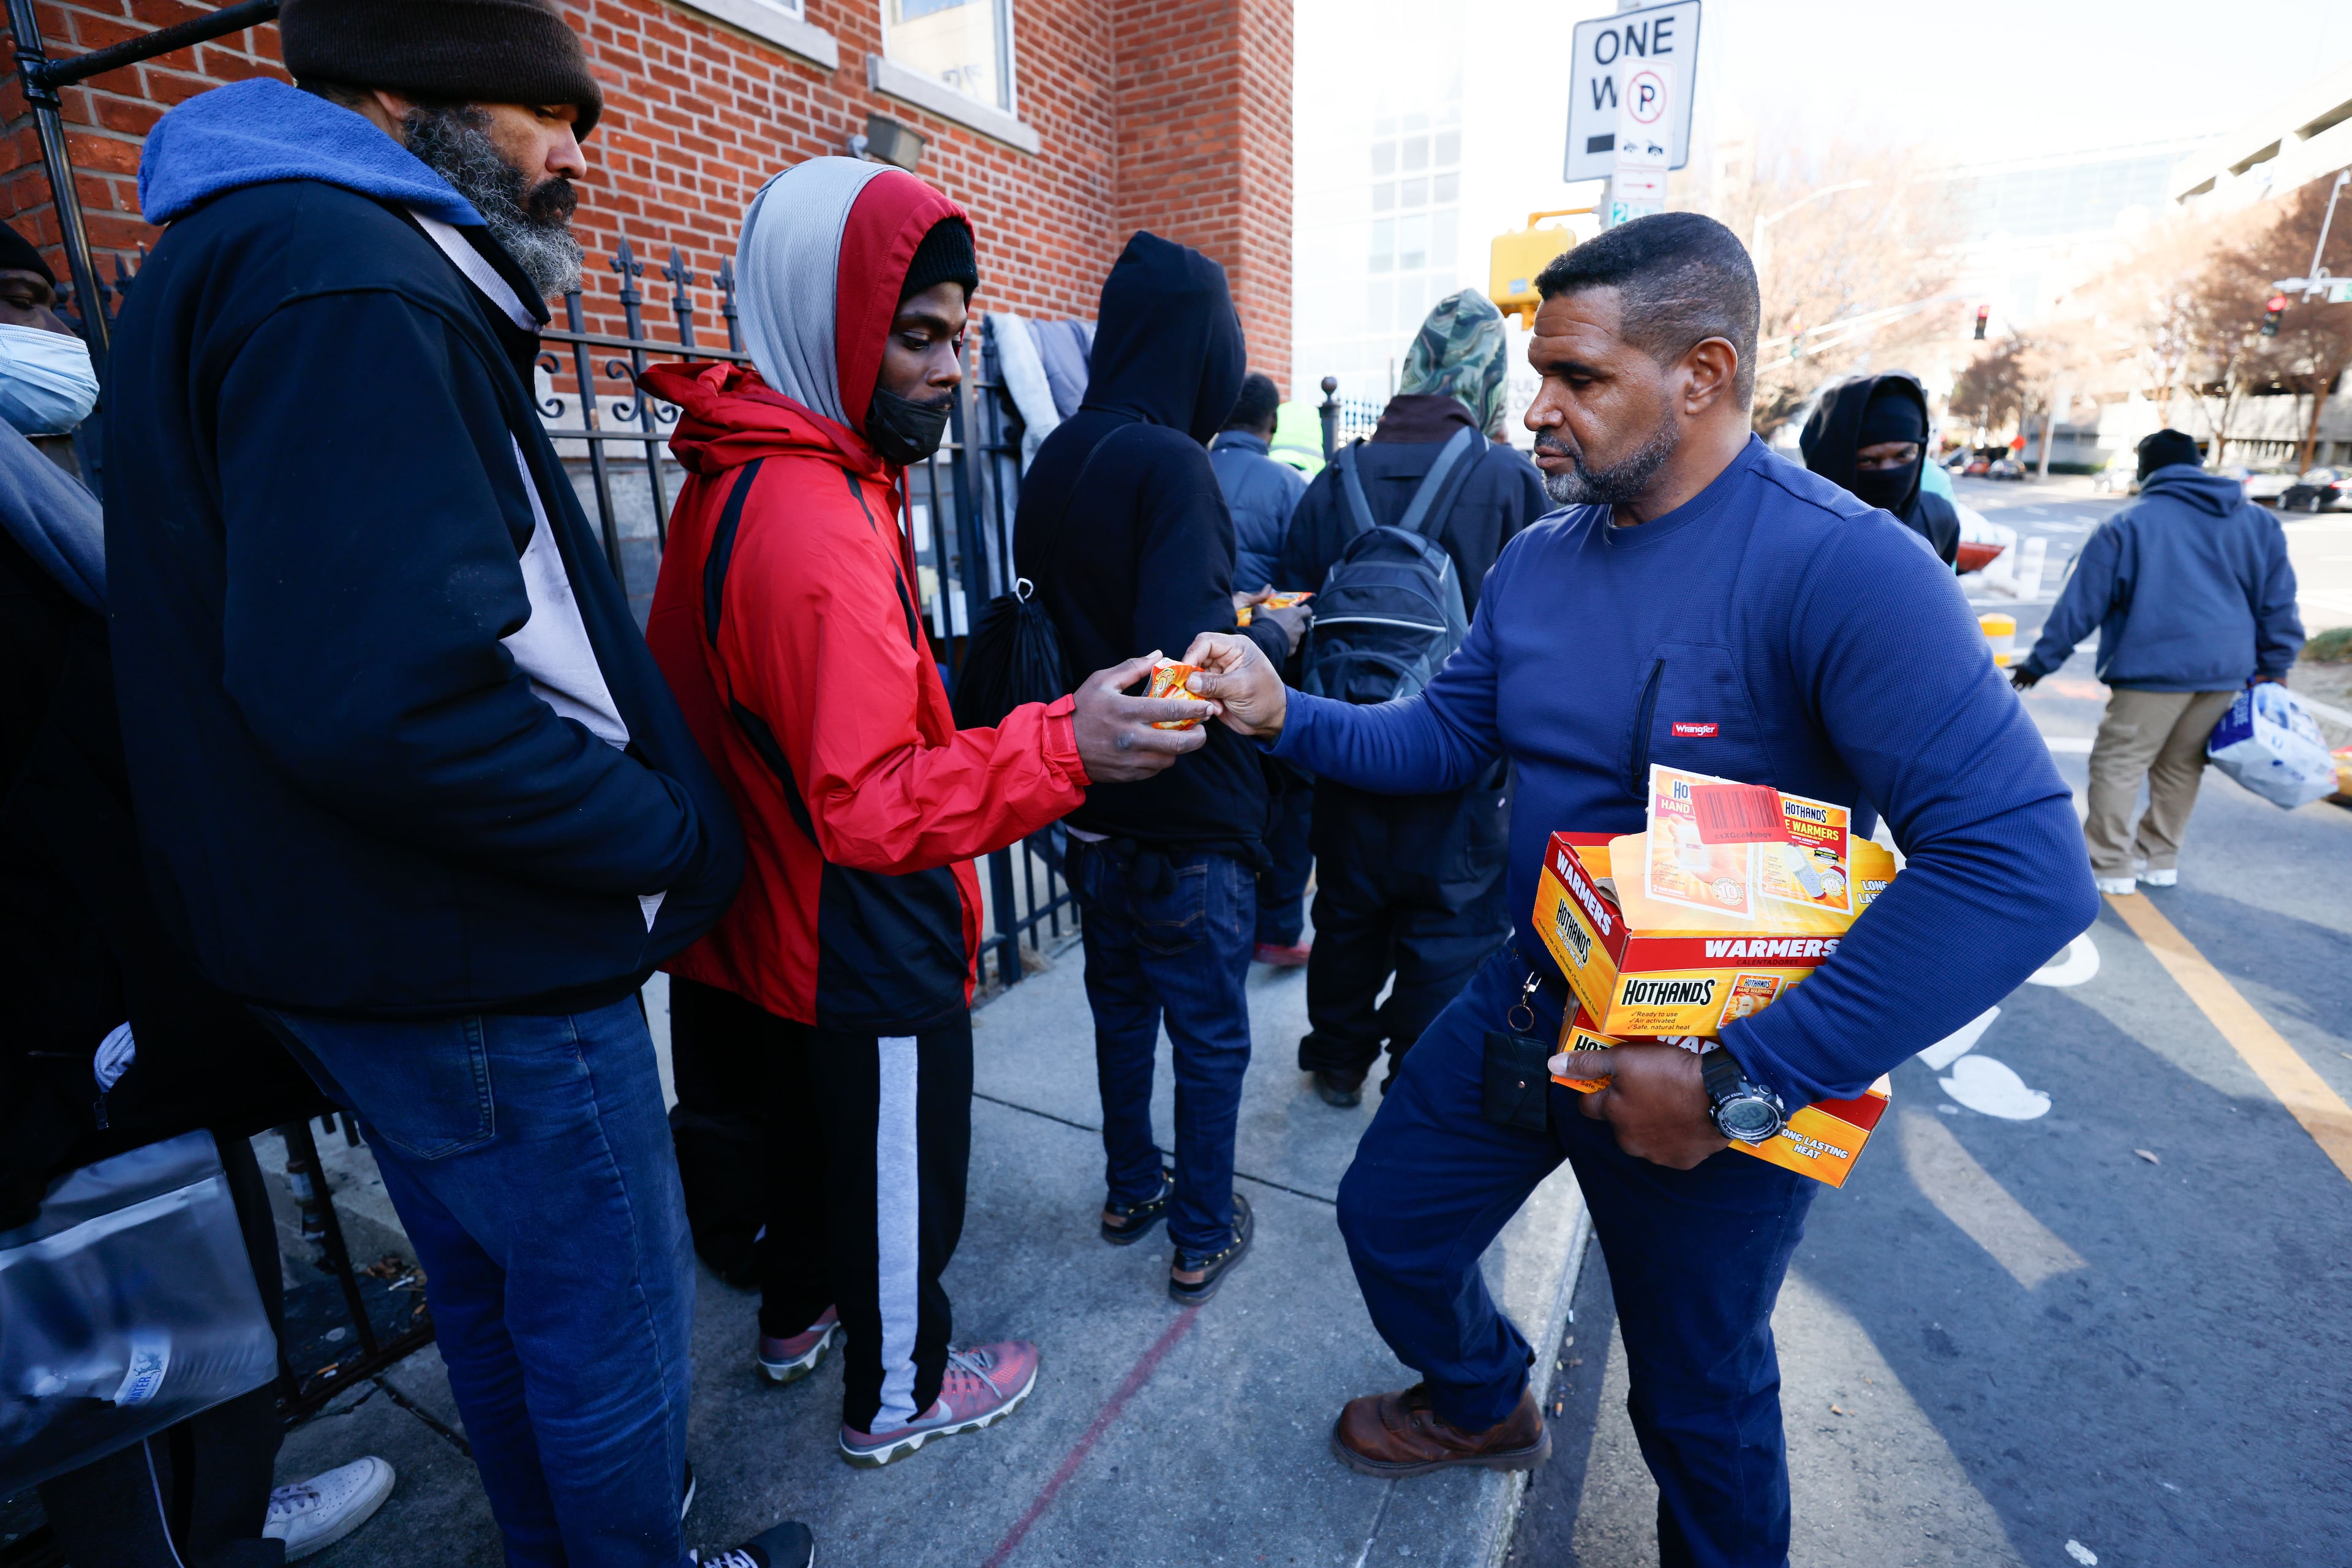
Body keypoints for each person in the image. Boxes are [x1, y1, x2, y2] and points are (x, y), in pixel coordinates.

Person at [1182, 213, 2097, 1566]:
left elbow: (2022, 868)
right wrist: (1282, 713)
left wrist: (1744, 1077)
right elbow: (1443, 740)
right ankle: (1486, 1400)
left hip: (1717, 1061)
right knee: (1389, 1220)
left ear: (1704, 372)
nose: (1538, 409)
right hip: (1531, 993)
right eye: (1539, 371)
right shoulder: (1543, 556)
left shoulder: (1847, 569)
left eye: (1580, 378)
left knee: (1698, 1401)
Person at [100, 2, 812, 1562]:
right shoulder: (346, 274)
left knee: (497, 1304)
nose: (573, 150)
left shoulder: (270, 253)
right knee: (602, 1326)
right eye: (535, 111)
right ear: (391, 93)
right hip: (477, 949)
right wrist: (658, 832)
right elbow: (382, 698)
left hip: (376, 938)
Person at [640, 160, 1207, 1467]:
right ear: (828, 323)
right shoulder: (809, 517)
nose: (953, 365)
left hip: (773, 912)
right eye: (919, 334)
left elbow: (793, 714)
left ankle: (795, 1321)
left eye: (960, 332)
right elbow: (871, 797)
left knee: (809, 1147)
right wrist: (1072, 739)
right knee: (902, 1175)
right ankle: (898, 1388)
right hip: (855, 922)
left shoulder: (765, 469)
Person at [0, 294, 393, 1566]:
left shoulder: (37, 481)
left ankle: (230, 1514)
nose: (49, 331)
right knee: (115, 1375)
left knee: (219, 1306)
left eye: (42, 301)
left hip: (138, 995)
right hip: (58, 1045)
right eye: (13, 309)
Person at [1016, 233, 1310, 1305]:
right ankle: (1198, 1232)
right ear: (1201, 353)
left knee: (1121, 1013)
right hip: (1189, 824)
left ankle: (1128, 1189)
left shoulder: (1059, 454)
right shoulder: (1173, 462)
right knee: (1211, 1037)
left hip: (1088, 811)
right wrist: (1273, 640)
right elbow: (1183, 675)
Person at [1276, 287, 1548, 1107]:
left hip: (1347, 751)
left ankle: (1336, 1059)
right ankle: (1414, 1081)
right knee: (1449, 931)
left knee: (1349, 918)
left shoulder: (1335, 480)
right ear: (1487, 382)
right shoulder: (1507, 480)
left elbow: (1290, 619)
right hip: (1461, 775)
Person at [2012, 428, 2302, 894]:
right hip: (2226, 670)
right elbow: (2278, 602)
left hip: (2153, 671)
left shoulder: (2128, 525)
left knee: (2120, 762)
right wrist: (2276, 665)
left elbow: (2080, 606)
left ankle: (2108, 864)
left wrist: (2038, 664)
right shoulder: (2257, 522)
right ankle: (2159, 858)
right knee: (2183, 765)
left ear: (2148, 469)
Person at [1209, 370, 1314, 968]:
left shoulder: (1188, 474)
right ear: (1270, 426)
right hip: (1270, 664)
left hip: (1196, 661)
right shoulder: (1287, 485)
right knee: (1288, 797)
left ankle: (1223, 917)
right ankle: (1275, 928)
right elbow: (1301, 581)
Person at [1799, 372, 1962, 567]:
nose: (1888, 471)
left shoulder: (1939, 517)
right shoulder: (1796, 536)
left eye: (1904, 455)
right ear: (1835, 460)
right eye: (1868, 460)